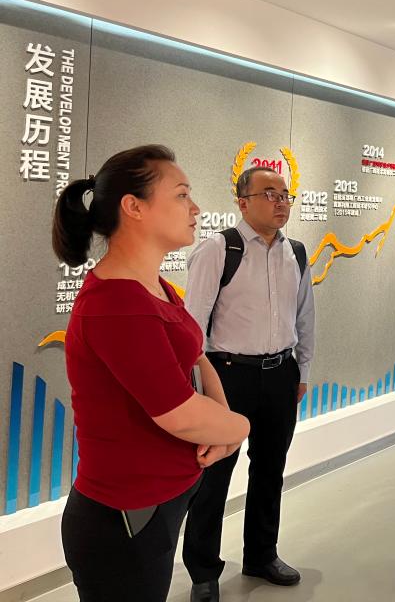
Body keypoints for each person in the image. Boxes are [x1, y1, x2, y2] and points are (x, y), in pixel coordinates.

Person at [52, 145, 250, 602]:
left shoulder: (155, 287)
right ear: (134, 207)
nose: (195, 208)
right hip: (125, 519)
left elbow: (196, 357)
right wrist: (240, 426)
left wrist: (221, 424)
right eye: (181, 195)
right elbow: (179, 414)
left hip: (159, 505)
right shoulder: (117, 304)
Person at [183, 167, 316, 602]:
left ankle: (261, 555)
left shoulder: (296, 253)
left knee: (270, 470)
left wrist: (302, 372)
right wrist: (197, 390)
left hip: (280, 374)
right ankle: (203, 571)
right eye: (269, 194)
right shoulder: (219, 250)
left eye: (285, 195)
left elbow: (305, 317)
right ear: (243, 202)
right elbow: (192, 327)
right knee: (214, 475)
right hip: (227, 376)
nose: (281, 203)